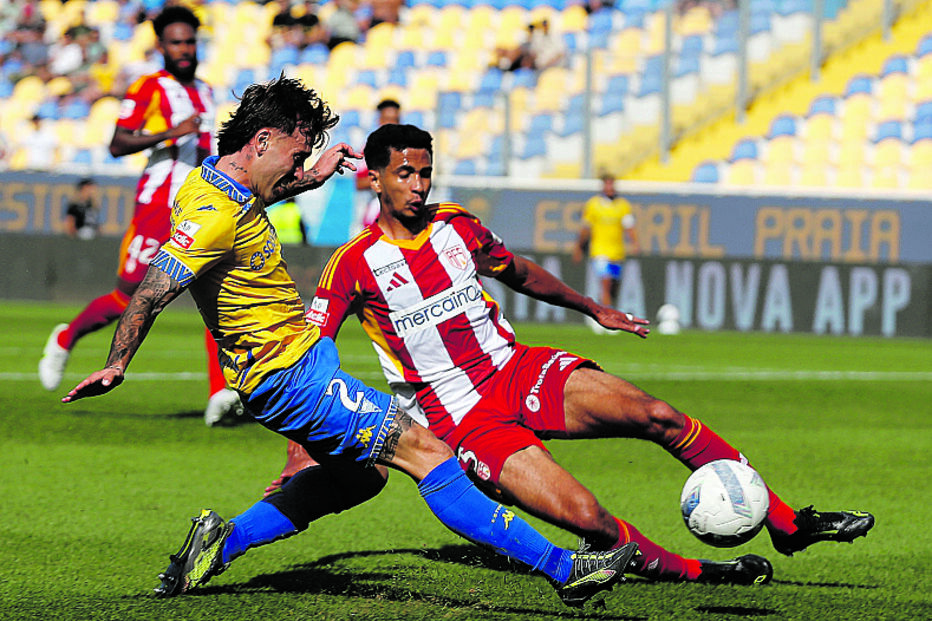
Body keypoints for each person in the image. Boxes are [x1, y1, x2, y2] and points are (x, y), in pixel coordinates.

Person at [61, 76, 639, 608]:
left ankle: (224, 540)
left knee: (362, 477)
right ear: (262, 141)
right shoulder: (213, 213)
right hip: (290, 374)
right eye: (296, 154)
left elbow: (248, 200)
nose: (299, 163)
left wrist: (307, 179)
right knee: (429, 453)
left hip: (284, 371)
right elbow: (154, 288)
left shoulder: (212, 179)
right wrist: (117, 362)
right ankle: (564, 568)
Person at [270, 123, 875, 585]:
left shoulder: (457, 225)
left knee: (657, 414)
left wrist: (592, 308)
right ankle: (700, 572)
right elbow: (313, 359)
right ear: (374, 179)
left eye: (426, 173)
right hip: (458, 417)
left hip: (515, 368)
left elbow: (519, 272)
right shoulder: (351, 264)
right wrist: (302, 450)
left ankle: (787, 523)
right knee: (589, 519)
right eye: (405, 174)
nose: (419, 185)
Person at [37, 6, 242, 426]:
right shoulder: (149, 87)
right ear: (162, 46)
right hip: (157, 207)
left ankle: (219, 395)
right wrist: (170, 133)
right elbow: (117, 144)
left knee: (213, 292)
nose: (184, 49)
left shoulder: (206, 89)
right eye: (176, 42)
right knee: (129, 298)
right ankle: (66, 337)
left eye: (190, 41)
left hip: (200, 205)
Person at [573, 172, 639, 334]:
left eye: (612, 184)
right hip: (599, 251)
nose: (609, 187)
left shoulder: (623, 205)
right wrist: (579, 247)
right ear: (603, 186)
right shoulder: (593, 205)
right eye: (607, 184)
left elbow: (629, 226)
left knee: (613, 288)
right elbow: (586, 228)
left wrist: (635, 242)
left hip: (617, 252)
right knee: (606, 282)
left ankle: (601, 312)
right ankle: (606, 319)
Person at [356, 98, 401, 230]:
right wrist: (386, 179)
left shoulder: (409, 149)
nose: (391, 125)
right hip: (378, 212)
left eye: (395, 120)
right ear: (380, 121)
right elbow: (360, 183)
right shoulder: (370, 149)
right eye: (387, 120)